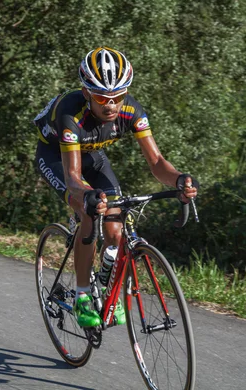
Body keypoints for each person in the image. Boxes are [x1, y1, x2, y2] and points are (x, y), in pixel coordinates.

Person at [34, 47, 198, 328]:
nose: (111, 105)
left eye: (118, 97)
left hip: (93, 156)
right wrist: (86, 197)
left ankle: (107, 285)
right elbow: (73, 176)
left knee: (115, 227)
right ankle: (83, 295)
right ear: (86, 93)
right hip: (56, 156)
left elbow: (157, 161)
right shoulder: (70, 114)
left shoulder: (132, 111)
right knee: (90, 213)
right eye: (101, 98)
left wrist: (179, 180)